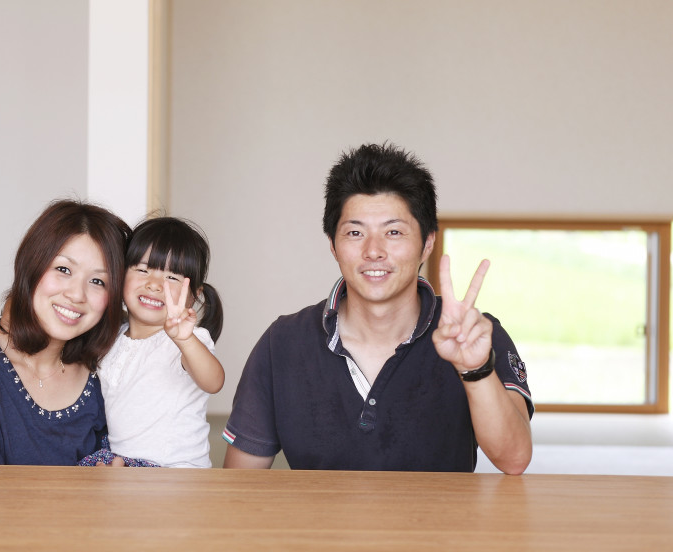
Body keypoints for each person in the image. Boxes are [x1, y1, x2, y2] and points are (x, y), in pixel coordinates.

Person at [222, 143, 533, 474]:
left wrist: (476, 369)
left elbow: (514, 459)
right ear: (333, 246)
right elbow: (240, 483)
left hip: (443, 512)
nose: (373, 251)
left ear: (427, 243)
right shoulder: (283, 342)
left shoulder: (473, 334)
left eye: (393, 232)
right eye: (355, 232)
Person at [0, 199, 131, 465]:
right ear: (31, 265)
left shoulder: (107, 372)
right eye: (63, 269)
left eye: (98, 281)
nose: (77, 295)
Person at [79, 217, 225, 468]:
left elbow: (213, 382)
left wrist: (184, 340)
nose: (154, 285)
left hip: (177, 472)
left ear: (194, 296)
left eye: (172, 277)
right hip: (125, 465)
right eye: (143, 270)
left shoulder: (188, 339)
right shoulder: (112, 337)